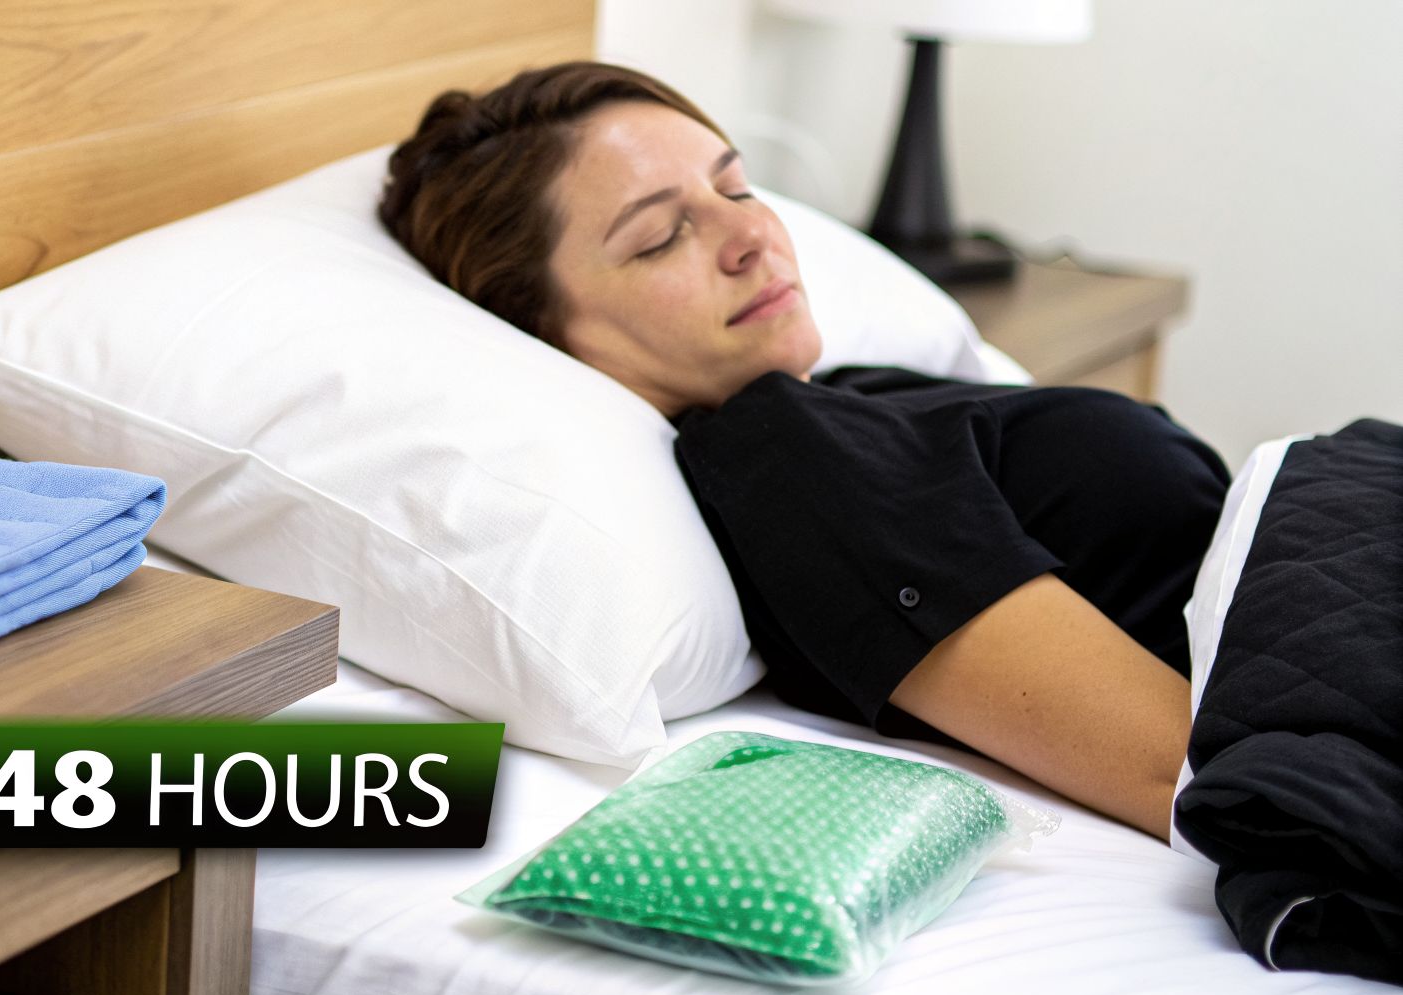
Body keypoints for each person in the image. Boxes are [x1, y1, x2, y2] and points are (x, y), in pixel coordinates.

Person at [378, 61, 1229, 842]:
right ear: (547, 333)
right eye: (659, 237)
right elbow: (1189, 773)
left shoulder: (846, 394)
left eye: (736, 187)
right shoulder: (780, 452)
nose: (751, 235)